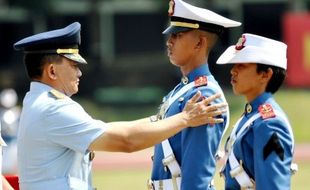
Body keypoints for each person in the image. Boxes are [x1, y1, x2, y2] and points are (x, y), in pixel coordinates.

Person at [13, 22, 227, 190]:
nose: (79, 73)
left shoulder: (39, 103)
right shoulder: (53, 109)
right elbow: (125, 140)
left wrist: (166, 118)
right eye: (73, 65)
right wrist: (184, 118)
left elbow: (111, 128)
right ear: (51, 71)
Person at [149, 0, 241, 189]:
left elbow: (196, 178)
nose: (169, 41)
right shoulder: (184, 89)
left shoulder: (204, 95)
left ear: (199, 42)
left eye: (178, 35)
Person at [216, 33, 295, 189]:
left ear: (265, 74)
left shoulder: (270, 124)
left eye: (242, 65)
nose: (233, 71)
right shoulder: (252, 115)